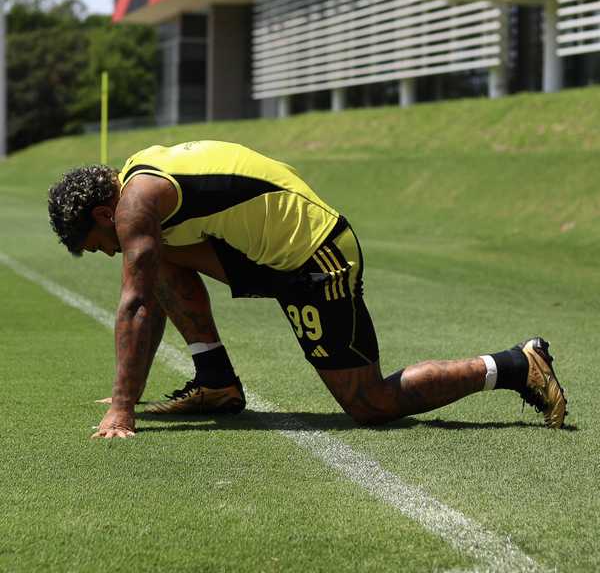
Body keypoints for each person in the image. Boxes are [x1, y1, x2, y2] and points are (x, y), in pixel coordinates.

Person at [48, 140, 567, 439]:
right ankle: (216, 381)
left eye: (100, 243)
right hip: (265, 252)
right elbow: (149, 284)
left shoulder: (138, 202)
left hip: (317, 256)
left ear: (103, 213)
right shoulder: (136, 182)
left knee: (371, 404)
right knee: (154, 259)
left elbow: (137, 304)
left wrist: (122, 405)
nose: (108, 251)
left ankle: (516, 364)